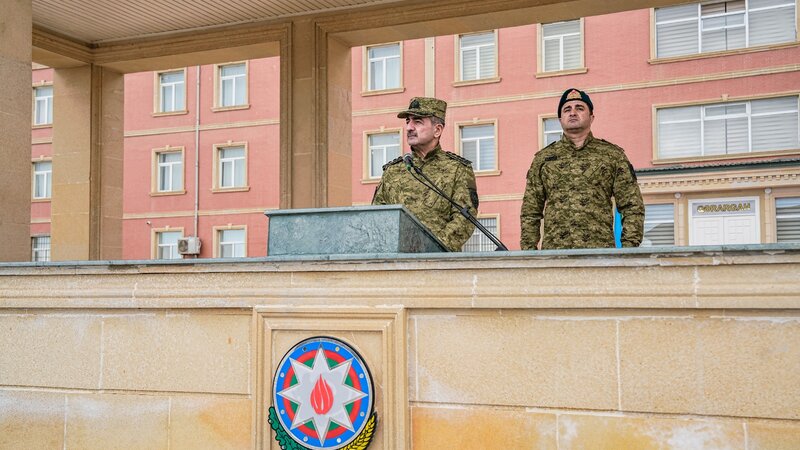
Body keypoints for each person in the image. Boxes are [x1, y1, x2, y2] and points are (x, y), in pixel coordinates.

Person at [520, 88, 644, 250]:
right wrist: (529, 252)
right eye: (567, 109)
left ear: (591, 117)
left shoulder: (612, 155)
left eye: (579, 108)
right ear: (560, 119)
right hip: (555, 255)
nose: (572, 113)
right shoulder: (544, 159)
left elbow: (632, 205)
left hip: (599, 253)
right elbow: (530, 211)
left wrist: (628, 250)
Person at [372, 97, 478, 251]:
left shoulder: (458, 169)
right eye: (407, 121)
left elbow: (464, 219)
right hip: (398, 260)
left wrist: (430, 249)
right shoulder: (393, 171)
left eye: (417, 122)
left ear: (437, 130)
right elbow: (377, 218)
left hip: (439, 260)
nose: (409, 128)